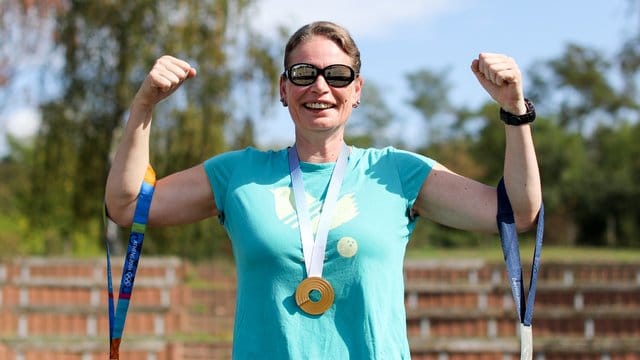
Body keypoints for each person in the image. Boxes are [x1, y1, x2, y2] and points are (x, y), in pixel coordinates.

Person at [105, 21, 541, 359]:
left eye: (336, 74)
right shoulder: (238, 174)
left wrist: (515, 112)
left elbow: (517, 213)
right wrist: (143, 106)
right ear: (283, 89)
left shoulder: (397, 172)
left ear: (357, 90)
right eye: (303, 73)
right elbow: (126, 206)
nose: (319, 87)